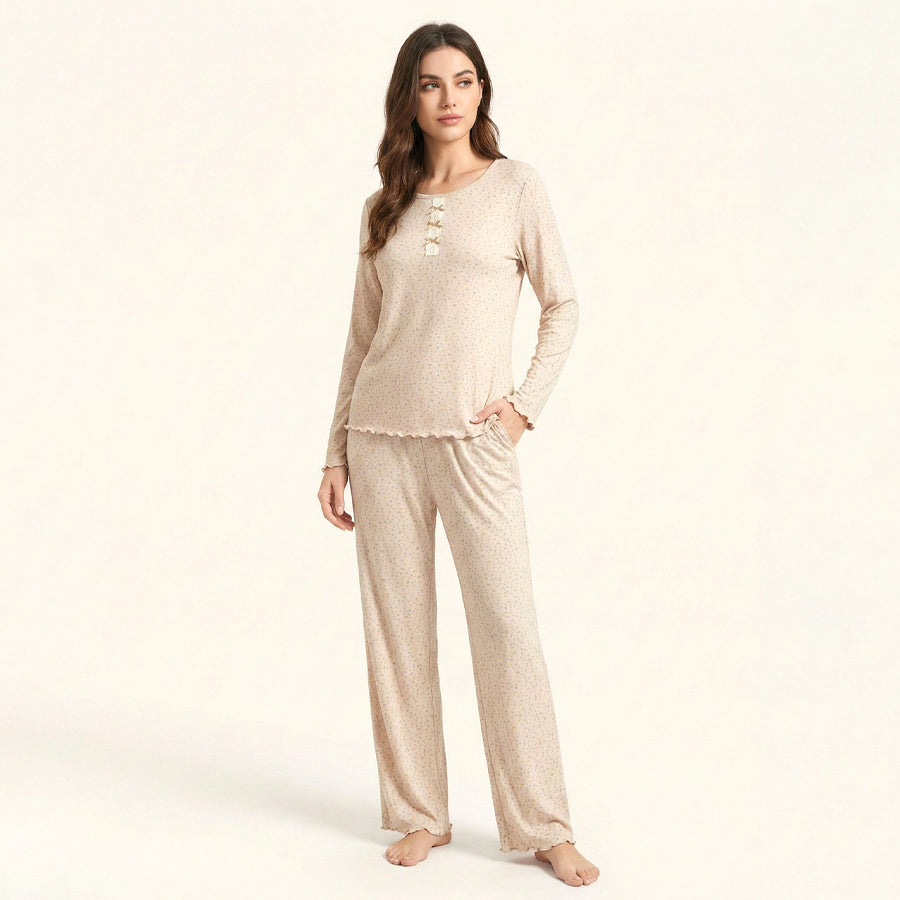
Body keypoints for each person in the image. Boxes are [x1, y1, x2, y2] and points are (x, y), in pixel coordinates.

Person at [317, 22, 599, 888]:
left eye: (464, 80)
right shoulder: (385, 205)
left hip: (476, 444)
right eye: (432, 83)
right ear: (409, 97)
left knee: (508, 629)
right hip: (381, 439)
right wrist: (334, 451)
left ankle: (543, 823)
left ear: (483, 91)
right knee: (397, 636)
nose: (449, 98)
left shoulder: (517, 187)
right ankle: (418, 813)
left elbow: (563, 305)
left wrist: (521, 409)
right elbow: (361, 338)